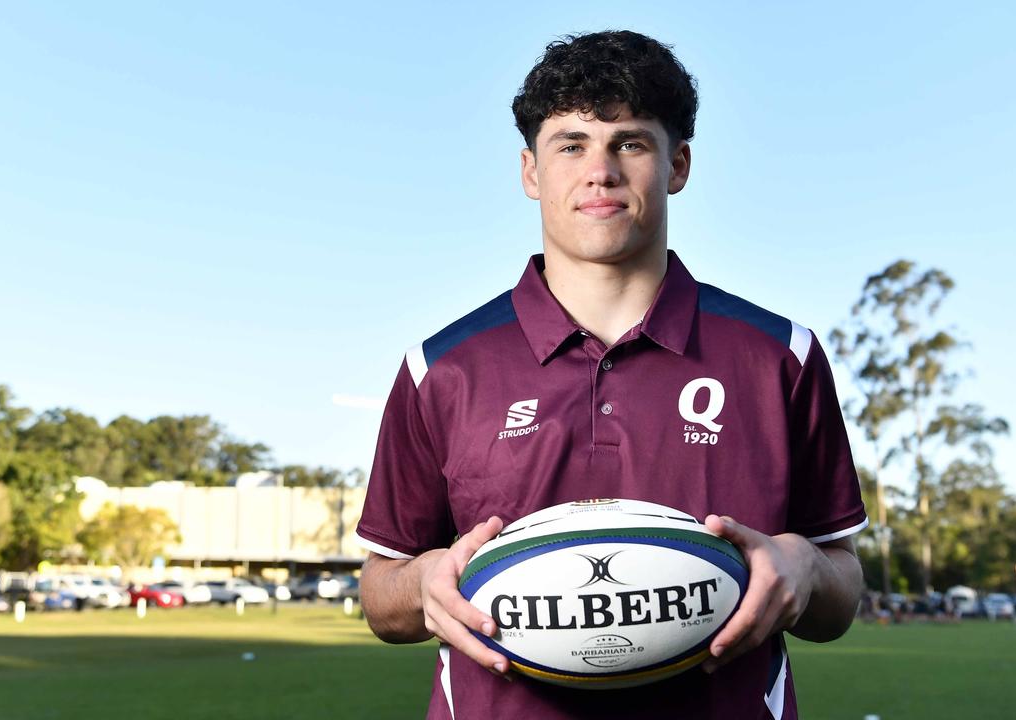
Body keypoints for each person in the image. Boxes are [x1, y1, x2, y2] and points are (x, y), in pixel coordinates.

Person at [355, 30, 867, 720]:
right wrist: (421, 583)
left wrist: (803, 567)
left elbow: (840, 583)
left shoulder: (779, 355)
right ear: (532, 171)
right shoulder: (442, 368)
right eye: (571, 144)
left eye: (629, 142)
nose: (600, 170)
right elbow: (380, 591)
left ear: (677, 164)